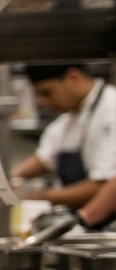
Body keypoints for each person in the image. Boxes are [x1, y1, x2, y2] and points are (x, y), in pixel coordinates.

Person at [10, 64, 115, 209]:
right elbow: (43, 160)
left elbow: (104, 186)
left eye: (47, 93)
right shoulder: (70, 117)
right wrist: (13, 178)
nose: (44, 102)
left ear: (74, 77)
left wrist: (36, 196)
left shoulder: (111, 109)